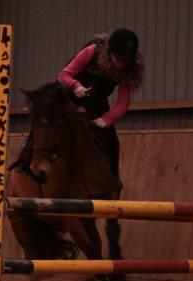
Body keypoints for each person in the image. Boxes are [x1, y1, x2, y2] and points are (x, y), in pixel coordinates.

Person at [56, 28, 144, 178]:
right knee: (47, 121)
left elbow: (123, 102)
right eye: (118, 58)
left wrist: (107, 119)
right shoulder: (91, 51)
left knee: (112, 142)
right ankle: (27, 152)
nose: (121, 64)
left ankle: (114, 182)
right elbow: (63, 76)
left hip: (96, 99)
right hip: (70, 91)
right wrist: (76, 86)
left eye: (125, 61)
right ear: (109, 52)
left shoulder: (127, 69)